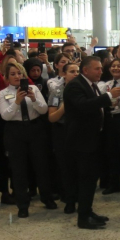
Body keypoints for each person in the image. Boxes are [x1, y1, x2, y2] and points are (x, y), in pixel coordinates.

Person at [63, 56, 120, 229]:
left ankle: (87, 211)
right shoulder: (75, 86)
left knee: (90, 179)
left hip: (93, 140)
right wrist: (108, 96)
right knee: (85, 179)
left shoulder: (91, 84)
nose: (100, 71)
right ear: (86, 70)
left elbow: (95, 107)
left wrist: (109, 104)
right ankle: (83, 217)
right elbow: (83, 105)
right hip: (81, 142)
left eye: (100, 68)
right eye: (97, 69)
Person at [0, 62, 54, 217]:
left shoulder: (34, 89)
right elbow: (5, 115)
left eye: (19, 73)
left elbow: (43, 110)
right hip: (15, 131)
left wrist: (34, 99)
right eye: (13, 74)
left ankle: (47, 198)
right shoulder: (3, 93)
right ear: (7, 77)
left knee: (41, 165)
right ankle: (22, 205)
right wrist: (16, 101)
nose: (17, 77)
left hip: (35, 129)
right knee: (18, 169)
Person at [0, 45, 24, 204]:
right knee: (2, 157)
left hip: (16, 119)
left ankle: (17, 189)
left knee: (16, 157)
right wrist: (0, 55)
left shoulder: (20, 79)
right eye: (8, 63)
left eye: (15, 63)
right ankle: (3, 191)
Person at [48, 62, 81, 213]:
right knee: (65, 167)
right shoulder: (57, 91)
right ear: (64, 74)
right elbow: (52, 117)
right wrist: (64, 107)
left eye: (77, 71)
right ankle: (69, 199)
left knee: (81, 166)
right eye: (72, 71)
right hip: (62, 131)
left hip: (81, 131)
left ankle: (82, 198)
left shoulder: (85, 89)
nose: (75, 74)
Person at [99, 58, 120, 195]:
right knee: (111, 153)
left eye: (119, 66)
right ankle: (114, 184)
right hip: (109, 120)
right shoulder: (106, 85)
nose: (116, 68)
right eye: (113, 66)